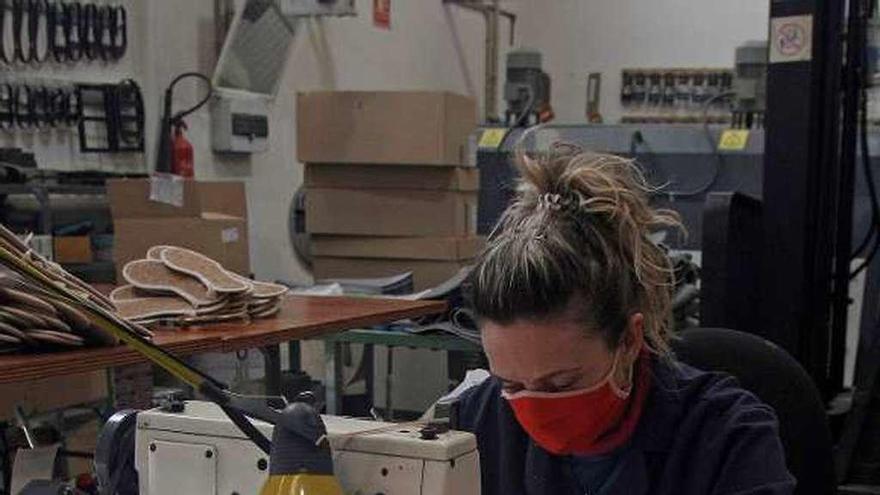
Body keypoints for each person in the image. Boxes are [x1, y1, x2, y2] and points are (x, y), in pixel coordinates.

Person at [455, 142, 795, 494]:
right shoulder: (474, 424)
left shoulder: (726, 439)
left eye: (560, 385)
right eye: (512, 385)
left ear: (629, 341)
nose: (536, 410)